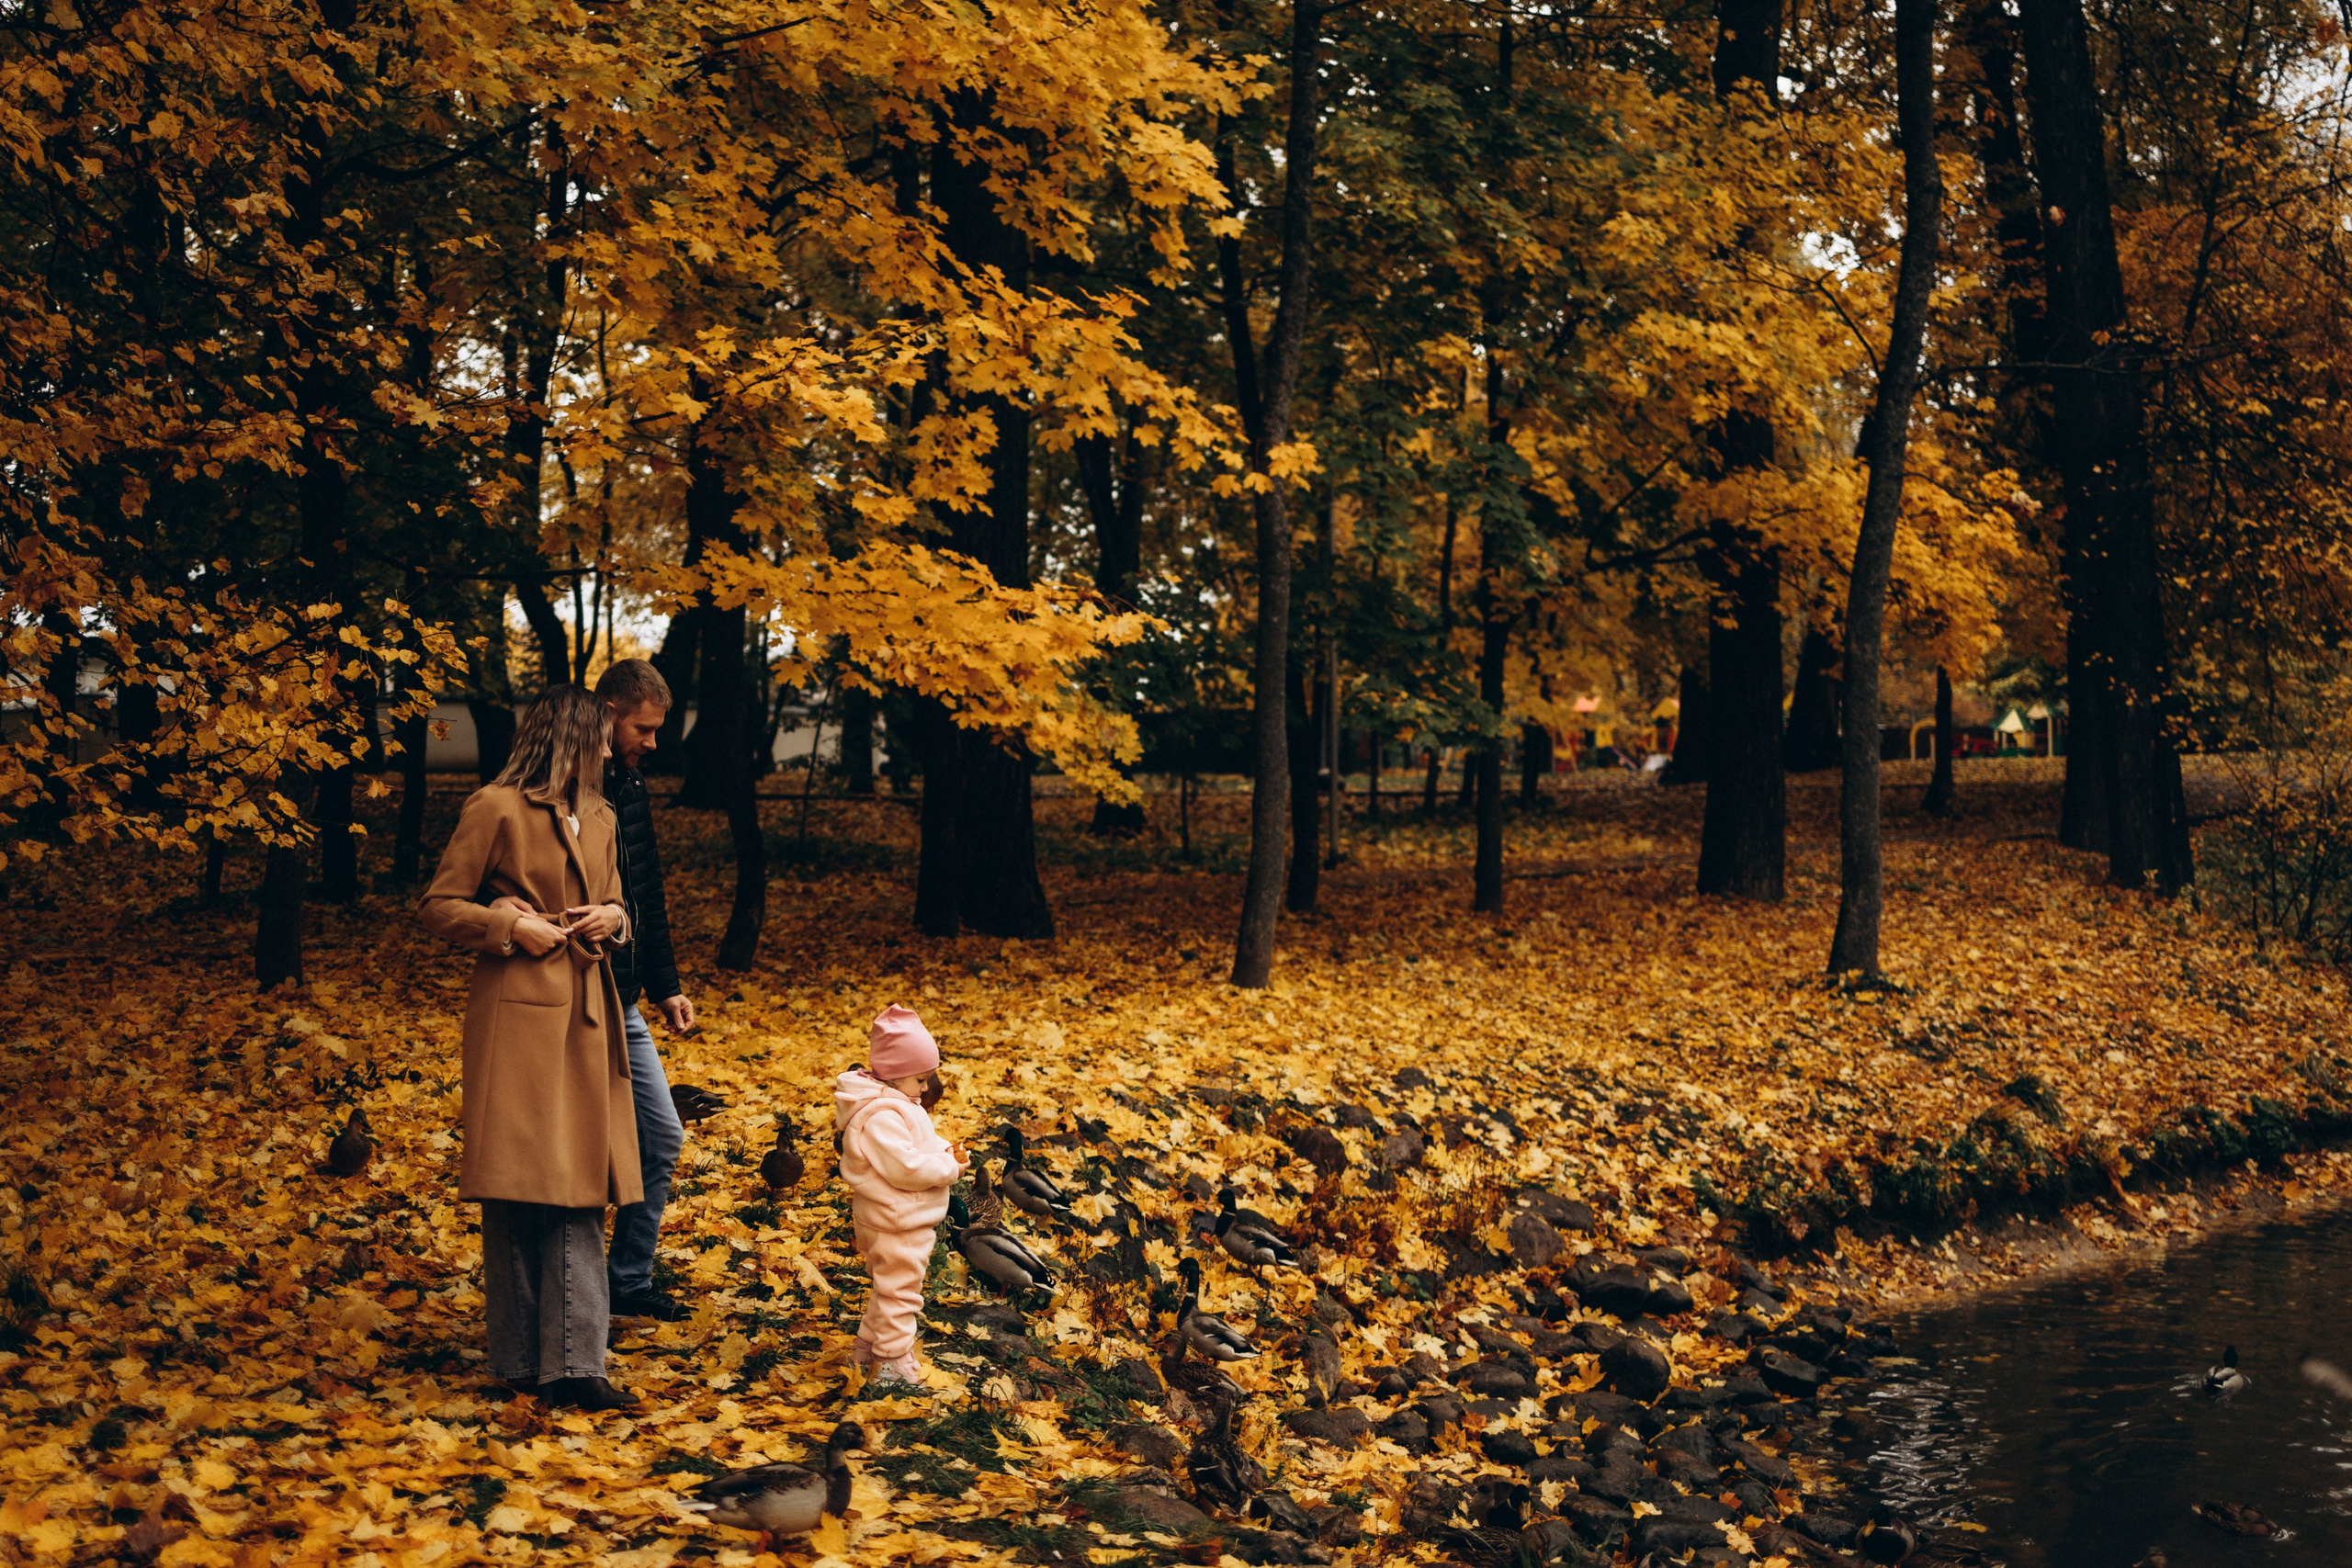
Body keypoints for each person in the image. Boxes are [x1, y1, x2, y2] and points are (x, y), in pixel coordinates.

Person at [421, 684, 643, 1412]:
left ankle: (576, 1363)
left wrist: (612, 917)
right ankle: (520, 1360)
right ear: (571, 736)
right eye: (600, 735)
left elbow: (618, 903)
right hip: (518, 1014)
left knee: (580, 1184)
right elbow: (439, 905)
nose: (610, 747)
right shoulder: (495, 806)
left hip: (588, 1013)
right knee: (520, 1185)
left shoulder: (603, 815)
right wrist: (510, 925)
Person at [591, 659, 696, 1321]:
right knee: (575, 1157)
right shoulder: (563, 786)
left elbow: (646, 891)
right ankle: (577, 1295)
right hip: (571, 1000)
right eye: (643, 728)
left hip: (624, 998)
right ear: (608, 714)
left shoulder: (630, 784)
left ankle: (628, 1281)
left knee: (661, 1137)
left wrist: (666, 986)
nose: (652, 743)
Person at [835, 1005, 967, 1391]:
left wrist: (944, 1150)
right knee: (902, 1296)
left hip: (892, 1216)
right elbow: (906, 1168)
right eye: (921, 1079)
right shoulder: (880, 1116)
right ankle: (891, 1364)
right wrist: (949, 1169)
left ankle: (866, 1350)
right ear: (894, 1074)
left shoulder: (895, 1104)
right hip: (898, 1221)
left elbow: (918, 1143)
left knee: (888, 1289)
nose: (926, 1088)